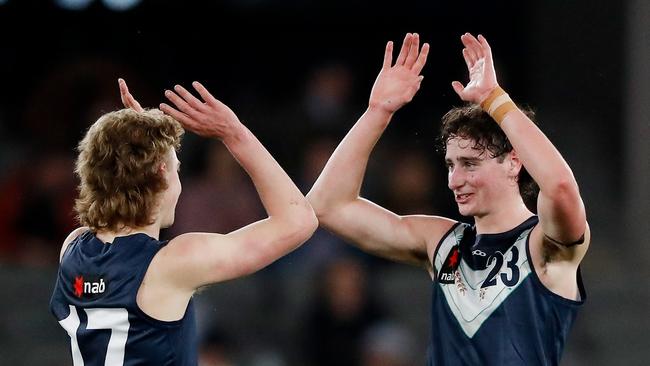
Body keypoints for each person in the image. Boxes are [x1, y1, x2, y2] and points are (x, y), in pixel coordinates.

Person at [307, 32, 590, 365]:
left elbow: (559, 187)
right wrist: (377, 112)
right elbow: (328, 206)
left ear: (514, 162)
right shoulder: (441, 242)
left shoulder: (544, 245)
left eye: (469, 164)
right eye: (450, 165)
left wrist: (494, 99)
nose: (455, 180)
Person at [50, 78, 317, 365]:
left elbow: (112, 179)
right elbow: (298, 220)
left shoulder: (73, 247)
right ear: (161, 174)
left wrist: (131, 142)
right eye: (176, 169)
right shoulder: (171, 263)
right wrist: (234, 133)